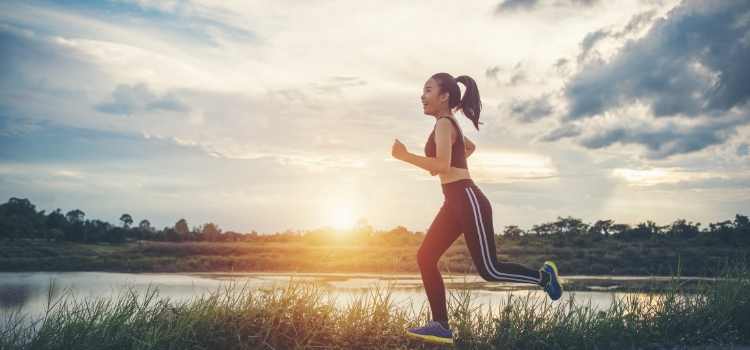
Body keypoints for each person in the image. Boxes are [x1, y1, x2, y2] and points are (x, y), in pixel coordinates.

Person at [391, 73, 563, 345]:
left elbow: (443, 166)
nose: (422, 97)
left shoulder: (445, 124)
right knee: (425, 257)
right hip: (453, 203)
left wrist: (406, 157)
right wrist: (444, 165)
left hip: (468, 200)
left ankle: (545, 277)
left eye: (428, 90)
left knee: (490, 270)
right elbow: (467, 148)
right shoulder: (446, 125)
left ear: (444, 96)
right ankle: (441, 325)